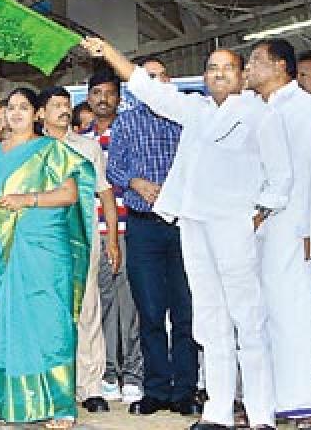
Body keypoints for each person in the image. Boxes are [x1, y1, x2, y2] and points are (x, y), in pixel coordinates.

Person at [82, 36, 292, 430]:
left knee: (247, 319)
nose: (218, 75)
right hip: (193, 223)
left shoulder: (260, 114)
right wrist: (110, 52)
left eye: (227, 68)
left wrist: (257, 215)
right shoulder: (194, 109)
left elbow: (280, 177)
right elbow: (145, 86)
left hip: (234, 225)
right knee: (208, 320)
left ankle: (262, 414)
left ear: (243, 75)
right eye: (211, 69)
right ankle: (218, 410)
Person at [0, 87, 97, 429]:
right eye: (11, 108)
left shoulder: (51, 149)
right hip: (5, 250)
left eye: (24, 107)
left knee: (52, 323)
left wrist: (28, 199)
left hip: (47, 248)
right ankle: (12, 401)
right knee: (11, 324)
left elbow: (68, 195)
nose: (17, 113)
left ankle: (61, 405)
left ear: (37, 114)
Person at [106, 57, 197, 417]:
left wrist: (173, 188)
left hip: (182, 224)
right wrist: (136, 182)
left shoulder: (187, 118)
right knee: (150, 310)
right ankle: (156, 388)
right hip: (142, 226)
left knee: (186, 310)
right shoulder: (126, 122)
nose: (151, 83)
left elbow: (200, 165)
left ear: (168, 81)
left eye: (157, 77)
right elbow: (114, 168)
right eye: (145, 78)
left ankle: (186, 389)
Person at [244, 40, 311, 426]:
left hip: (293, 225)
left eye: (255, 61)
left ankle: (302, 402)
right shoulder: (253, 110)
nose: (248, 68)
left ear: (280, 66)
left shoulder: (308, 109)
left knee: (294, 312)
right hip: (253, 227)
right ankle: (264, 400)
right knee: (258, 314)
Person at [40, 87, 120, 414]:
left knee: (87, 309)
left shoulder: (88, 148)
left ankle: (89, 387)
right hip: (44, 241)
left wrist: (111, 238)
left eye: (66, 104)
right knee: (49, 312)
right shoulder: (33, 149)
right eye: (55, 105)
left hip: (85, 239)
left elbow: (105, 194)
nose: (63, 110)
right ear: (40, 113)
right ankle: (51, 384)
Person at [84, 71, 143, 404]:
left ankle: (134, 375)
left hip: (128, 230)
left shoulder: (131, 132)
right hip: (96, 233)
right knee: (102, 307)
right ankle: (108, 373)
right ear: (89, 98)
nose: (102, 99)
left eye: (109, 93)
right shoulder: (82, 139)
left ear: (119, 98)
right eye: (96, 93)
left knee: (131, 307)